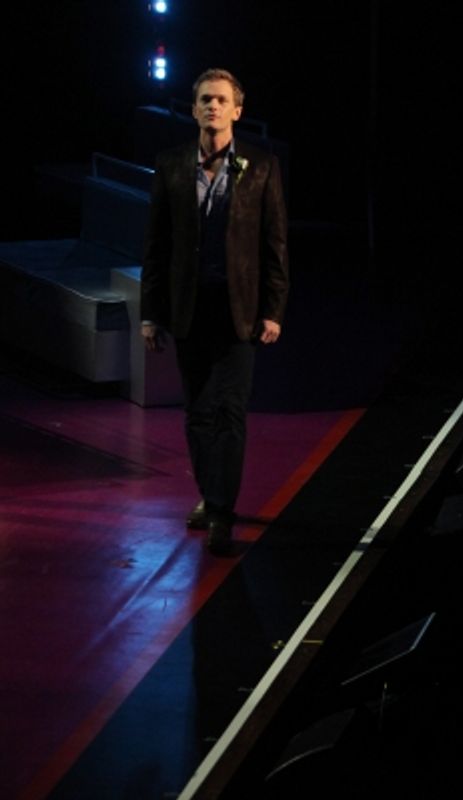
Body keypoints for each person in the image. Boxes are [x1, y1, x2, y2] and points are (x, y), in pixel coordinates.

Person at [141, 67, 289, 555]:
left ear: (237, 110)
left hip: (239, 309)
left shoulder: (261, 166)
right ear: (193, 108)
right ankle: (211, 495)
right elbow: (157, 246)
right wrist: (149, 313)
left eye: (222, 100)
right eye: (205, 99)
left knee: (230, 410)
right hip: (189, 309)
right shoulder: (171, 164)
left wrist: (273, 309)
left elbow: (275, 245)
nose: (213, 107)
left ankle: (221, 510)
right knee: (198, 412)